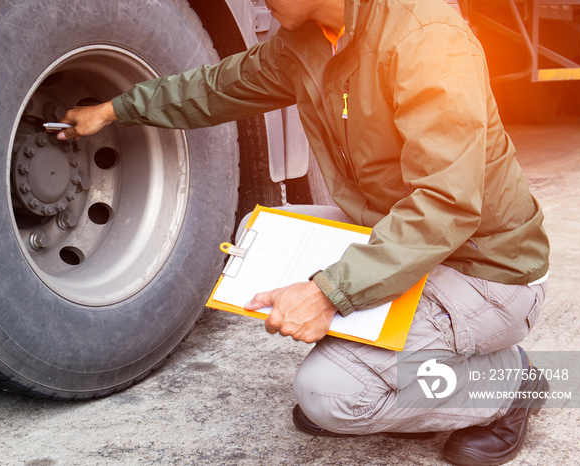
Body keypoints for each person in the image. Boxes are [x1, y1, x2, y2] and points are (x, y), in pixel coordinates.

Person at [55, 0, 550, 464]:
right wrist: (117, 108)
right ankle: (400, 372)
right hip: (407, 238)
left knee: (331, 397)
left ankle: (510, 384)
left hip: (482, 266)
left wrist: (329, 293)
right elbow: (217, 86)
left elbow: (445, 205)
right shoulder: (309, 39)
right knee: (258, 237)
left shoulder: (426, 36)